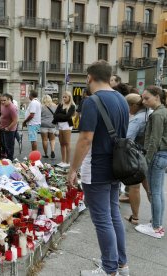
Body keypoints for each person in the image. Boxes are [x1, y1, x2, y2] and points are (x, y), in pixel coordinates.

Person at [67, 60, 129, 276]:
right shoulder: (121, 98)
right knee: (113, 215)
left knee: (103, 219)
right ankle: (120, 264)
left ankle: (109, 269)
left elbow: (85, 139)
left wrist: (72, 169)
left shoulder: (92, 101)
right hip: (116, 166)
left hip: (97, 167)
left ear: (89, 77)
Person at [135, 86, 167, 239]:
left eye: (147, 98)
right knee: (158, 192)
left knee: (155, 192)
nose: (144, 101)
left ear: (157, 97)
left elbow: (154, 139)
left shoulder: (158, 115)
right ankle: (157, 223)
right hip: (162, 155)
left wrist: (147, 159)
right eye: (143, 98)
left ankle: (156, 227)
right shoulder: (162, 112)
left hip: (157, 155)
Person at [120, 93, 151, 225]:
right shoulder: (149, 113)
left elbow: (127, 138)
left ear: (133, 106)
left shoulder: (137, 119)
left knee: (134, 186)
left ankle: (136, 217)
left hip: (137, 157)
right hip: (147, 155)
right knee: (149, 187)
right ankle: (156, 217)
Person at [53, 91, 75, 167]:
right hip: (60, 125)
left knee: (67, 143)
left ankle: (68, 162)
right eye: (63, 97)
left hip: (67, 125)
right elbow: (55, 115)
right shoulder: (60, 105)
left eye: (66, 97)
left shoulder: (72, 106)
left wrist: (59, 115)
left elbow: (67, 117)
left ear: (69, 97)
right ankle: (63, 161)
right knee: (61, 143)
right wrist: (61, 115)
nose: (64, 98)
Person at [0, 93, 18, 160]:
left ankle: (10, 160)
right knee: (4, 145)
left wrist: (8, 128)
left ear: (9, 99)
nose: (2, 102)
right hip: (3, 128)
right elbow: (3, 115)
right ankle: (7, 159)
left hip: (10, 130)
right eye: (1, 100)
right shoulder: (2, 105)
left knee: (9, 146)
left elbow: (15, 120)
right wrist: (0, 122)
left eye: (4, 100)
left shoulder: (12, 108)